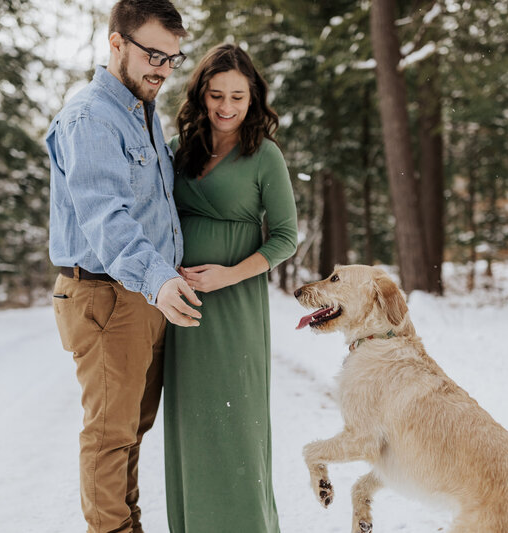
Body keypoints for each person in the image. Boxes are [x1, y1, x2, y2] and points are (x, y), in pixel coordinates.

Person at [45, 1, 201, 532]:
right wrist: (158, 278)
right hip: (107, 294)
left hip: (142, 292)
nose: (162, 68)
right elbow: (105, 217)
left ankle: (126, 524)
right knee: (110, 431)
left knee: (132, 426)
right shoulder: (90, 116)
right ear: (116, 44)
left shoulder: (141, 112)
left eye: (172, 58)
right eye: (153, 54)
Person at [163, 44, 298, 533]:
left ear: (253, 98)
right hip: (182, 306)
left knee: (236, 423)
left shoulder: (264, 156)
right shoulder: (184, 150)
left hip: (235, 303)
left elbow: (286, 237)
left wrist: (228, 274)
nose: (226, 107)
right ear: (201, 95)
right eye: (216, 95)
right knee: (191, 425)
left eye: (237, 97)